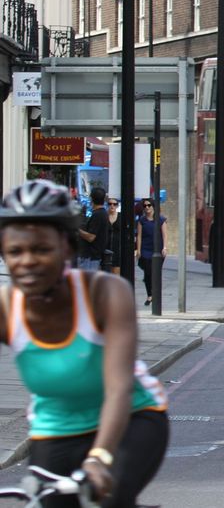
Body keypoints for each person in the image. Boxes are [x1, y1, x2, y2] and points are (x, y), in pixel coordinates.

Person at [0, 180, 169, 507]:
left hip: (132, 417)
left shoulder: (105, 293)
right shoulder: (7, 308)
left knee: (108, 495)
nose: (27, 261)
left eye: (42, 249)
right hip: (57, 429)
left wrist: (99, 457)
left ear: (66, 249)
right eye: (15, 252)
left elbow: (118, 388)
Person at [135, 200, 167, 307]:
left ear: (153, 206)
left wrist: (165, 247)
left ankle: (156, 293)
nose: (147, 207)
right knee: (147, 273)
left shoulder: (161, 220)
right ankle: (150, 294)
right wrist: (138, 250)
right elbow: (139, 236)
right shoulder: (142, 220)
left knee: (156, 272)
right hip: (145, 249)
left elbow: (164, 235)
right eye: (145, 206)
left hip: (157, 249)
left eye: (149, 205)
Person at [76, 188, 108, 271]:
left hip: (90, 257)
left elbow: (91, 237)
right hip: (92, 256)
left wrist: (77, 230)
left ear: (92, 199)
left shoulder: (98, 215)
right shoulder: (102, 213)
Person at [105, 198, 122, 276]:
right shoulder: (104, 216)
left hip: (117, 248)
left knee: (116, 272)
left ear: (117, 206)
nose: (112, 206)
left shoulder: (121, 216)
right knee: (106, 272)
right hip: (106, 247)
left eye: (114, 204)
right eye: (110, 204)